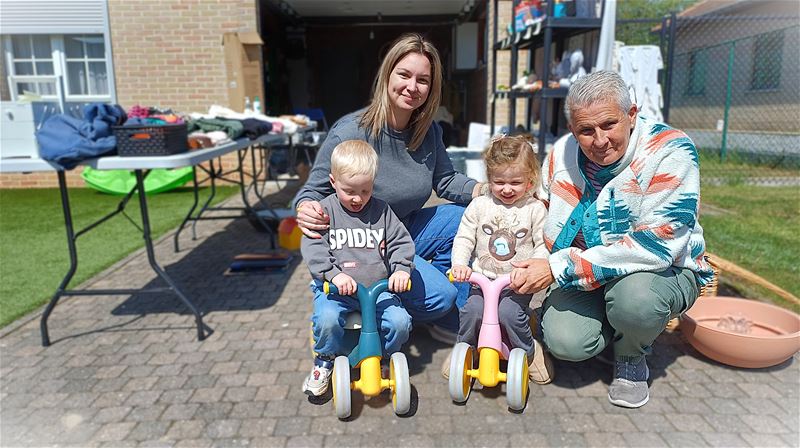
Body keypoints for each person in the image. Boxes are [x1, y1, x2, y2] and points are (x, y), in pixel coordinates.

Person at [509, 71, 715, 408]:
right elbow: (542, 215)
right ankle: (617, 331)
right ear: (572, 129)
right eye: (586, 131)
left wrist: (557, 268)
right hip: (585, 272)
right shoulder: (561, 153)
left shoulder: (671, 151)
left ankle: (631, 358)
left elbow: (657, 246)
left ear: (631, 115)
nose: (600, 140)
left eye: (609, 124)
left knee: (635, 301)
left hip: (659, 271)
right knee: (566, 342)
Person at [293, 33, 484, 346]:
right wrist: (305, 209)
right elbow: (312, 191)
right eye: (404, 75)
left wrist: (488, 191)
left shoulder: (429, 131)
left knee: (468, 217)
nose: (412, 86)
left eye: (423, 80)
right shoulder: (351, 131)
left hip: (402, 229)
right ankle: (373, 305)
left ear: (432, 87)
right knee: (440, 295)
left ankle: (448, 315)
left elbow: (446, 180)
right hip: (361, 240)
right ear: (387, 75)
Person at [300, 140, 414, 396]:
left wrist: (401, 269)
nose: (357, 198)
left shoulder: (382, 212)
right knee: (327, 319)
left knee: (400, 322)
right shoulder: (325, 211)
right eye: (349, 190)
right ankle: (324, 360)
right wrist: (333, 275)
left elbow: (400, 242)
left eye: (365, 190)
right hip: (336, 291)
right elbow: (313, 246)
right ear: (333, 182)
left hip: (376, 290)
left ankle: (385, 356)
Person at [446, 135, 554, 384]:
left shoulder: (534, 209)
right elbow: (464, 238)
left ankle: (528, 353)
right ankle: (466, 350)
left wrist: (530, 270)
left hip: (515, 285)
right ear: (489, 178)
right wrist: (459, 264)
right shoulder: (479, 205)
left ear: (530, 180)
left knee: (509, 314)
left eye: (515, 182)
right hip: (482, 281)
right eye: (499, 182)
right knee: (471, 311)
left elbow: (543, 245)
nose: (506, 189)